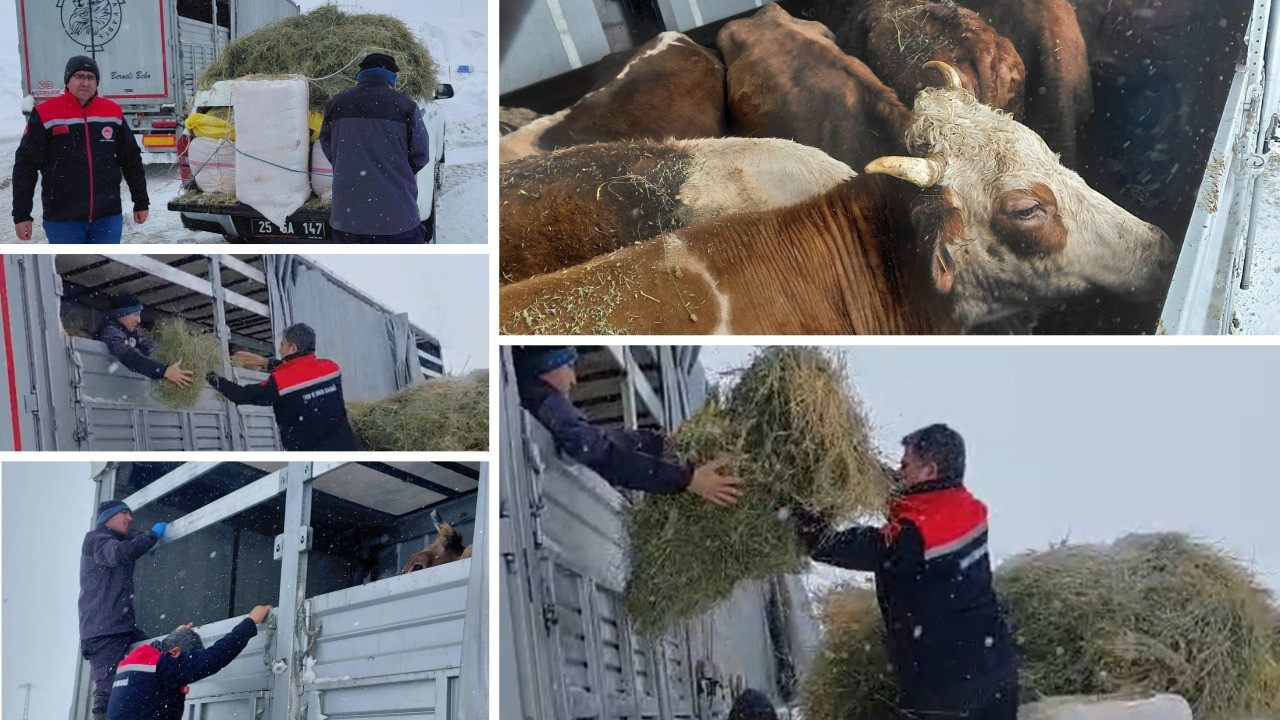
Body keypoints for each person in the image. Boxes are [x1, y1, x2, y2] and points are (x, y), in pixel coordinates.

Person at [789, 424, 1018, 720]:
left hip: (950, 689)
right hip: (995, 672)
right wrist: (854, 462)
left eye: (905, 464)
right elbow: (909, 498)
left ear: (929, 471)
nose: (900, 471)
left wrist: (796, 509)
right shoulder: (968, 508)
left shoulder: (913, 536)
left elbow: (831, 546)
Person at [513, 346, 741, 506]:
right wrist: (687, 479)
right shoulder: (544, 400)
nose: (574, 379)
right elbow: (598, 451)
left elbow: (596, 439)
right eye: (569, 365)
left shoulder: (533, 399)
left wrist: (657, 442)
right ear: (547, 364)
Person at [12, 55, 149, 243]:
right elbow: (25, 165)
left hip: (107, 217)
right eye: (79, 76)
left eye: (90, 77)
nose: (85, 82)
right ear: (68, 81)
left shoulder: (112, 112)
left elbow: (131, 159)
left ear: (96, 82)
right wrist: (21, 214)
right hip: (62, 219)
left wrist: (140, 201)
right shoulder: (45, 113)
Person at [318, 52, 431, 243]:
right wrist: (395, 171)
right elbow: (420, 155)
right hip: (397, 220)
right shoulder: (406, 106)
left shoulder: (335, 104)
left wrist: (353, 163)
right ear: (391, 78)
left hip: (347, 220)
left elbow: (329, 147)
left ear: (361, 75)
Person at [79, 500, 169, 720]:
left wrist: (143, 540)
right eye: (124, 513)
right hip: (104, 632)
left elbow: (127, 541)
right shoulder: (97, 539)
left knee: (155, 661)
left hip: (121, 627)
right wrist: (149, 538)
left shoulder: (113, 537)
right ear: (108, 517)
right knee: (108, 691)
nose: (130, 518)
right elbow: (117, 553)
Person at [205, 323, 359, 451]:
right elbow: (302, 372)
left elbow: (242, 395)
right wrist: (267, 363)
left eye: (282, 345)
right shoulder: (332, 368)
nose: (279, 350)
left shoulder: (280, 383)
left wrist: (210, 376)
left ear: (292, 349)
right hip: (347, 447)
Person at [107, 604, 274, 720]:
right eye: (184, 661)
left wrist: (176, 635)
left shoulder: (134, 661)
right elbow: (215, 657)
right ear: (176, 652)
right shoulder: (164, 668)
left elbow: (160, 651)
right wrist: (250, 622)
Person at [96, 294, 193, 388]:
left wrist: (173, 360)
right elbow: (128, 356)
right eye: (135, 314)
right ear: (122, 314)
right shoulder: (110, 330)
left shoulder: (135, 330)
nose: (139, 320)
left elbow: (153, 347)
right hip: (105, 385)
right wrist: (164, 371)